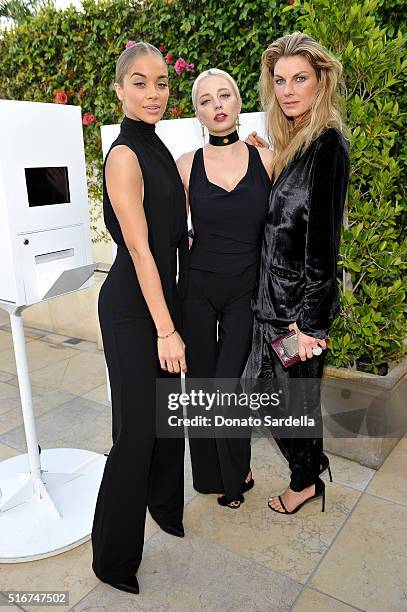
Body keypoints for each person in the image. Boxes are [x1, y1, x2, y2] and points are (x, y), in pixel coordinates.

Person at [91, 42, 189, 594]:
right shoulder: (125, 154)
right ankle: (112, 557)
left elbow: (172, 231)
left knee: (167, 419)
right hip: (134, 310)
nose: (153, 93)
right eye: (140, 82)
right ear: (120, 89)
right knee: (134, 432)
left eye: (160, 83)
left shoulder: (160, 148)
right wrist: (166, 329)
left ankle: (165, 506)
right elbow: (140, 248)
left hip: (160, 300)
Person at [246, 32, 349, 514]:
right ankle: (310, 469)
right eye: (280, 80)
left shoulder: (328, 146)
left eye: (300, 79)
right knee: (273, 399)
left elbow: (323, 245)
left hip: (294, 315)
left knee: (289, 404)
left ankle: (305, 480)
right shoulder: (295, 145)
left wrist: (308, 325)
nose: (288, 90)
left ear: (320, 82)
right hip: (273, 307)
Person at [176, 69, 273, 509]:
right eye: (205, 100)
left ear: (238, 103)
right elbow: (170, 228)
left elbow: (284, 226)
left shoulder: (267, 160)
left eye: (225, 95)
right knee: (199, 384)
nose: (216, 105)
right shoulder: (185, 165)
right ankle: (211, 476)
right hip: (197, 286)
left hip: (243, 291)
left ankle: (238, 474)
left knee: (226, 381)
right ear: (197, 112)